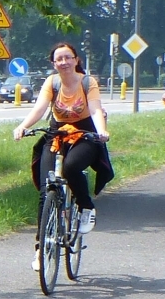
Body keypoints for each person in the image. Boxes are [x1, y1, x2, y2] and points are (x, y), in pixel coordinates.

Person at [12, 41, 113, 266]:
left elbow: (95, 109)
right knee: (46, 187)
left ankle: (86, 207)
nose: (64, 62)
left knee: (70, 167)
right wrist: (23, 126)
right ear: (53, 63)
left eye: (68, 57)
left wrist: (101, 131)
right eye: (59, 59)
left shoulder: (88, 82)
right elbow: (39, 108)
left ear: (76, 60)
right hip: (57, 133)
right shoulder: (52, 82)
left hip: (85, 133)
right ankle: (41, 247)